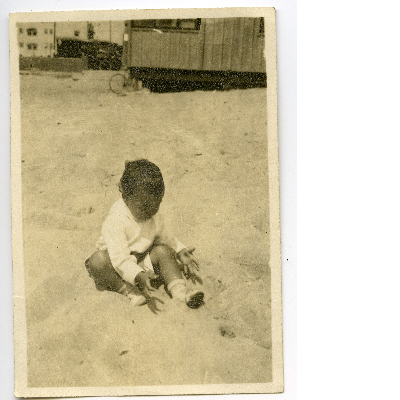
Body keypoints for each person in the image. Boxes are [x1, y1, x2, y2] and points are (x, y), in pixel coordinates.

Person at [85, 159, 204, 309]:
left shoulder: (152, 214)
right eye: (143, 207)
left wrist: (180, 250)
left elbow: (165, 237)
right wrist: (137, 275)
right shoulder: (116, 221)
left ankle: (180, 291)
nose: (150, 211)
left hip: (142, 258)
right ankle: (128, 290)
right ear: (126, 197)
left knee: (164, 251)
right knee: (97, 262)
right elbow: (119, 259)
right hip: (116, 265)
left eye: (157, 204)